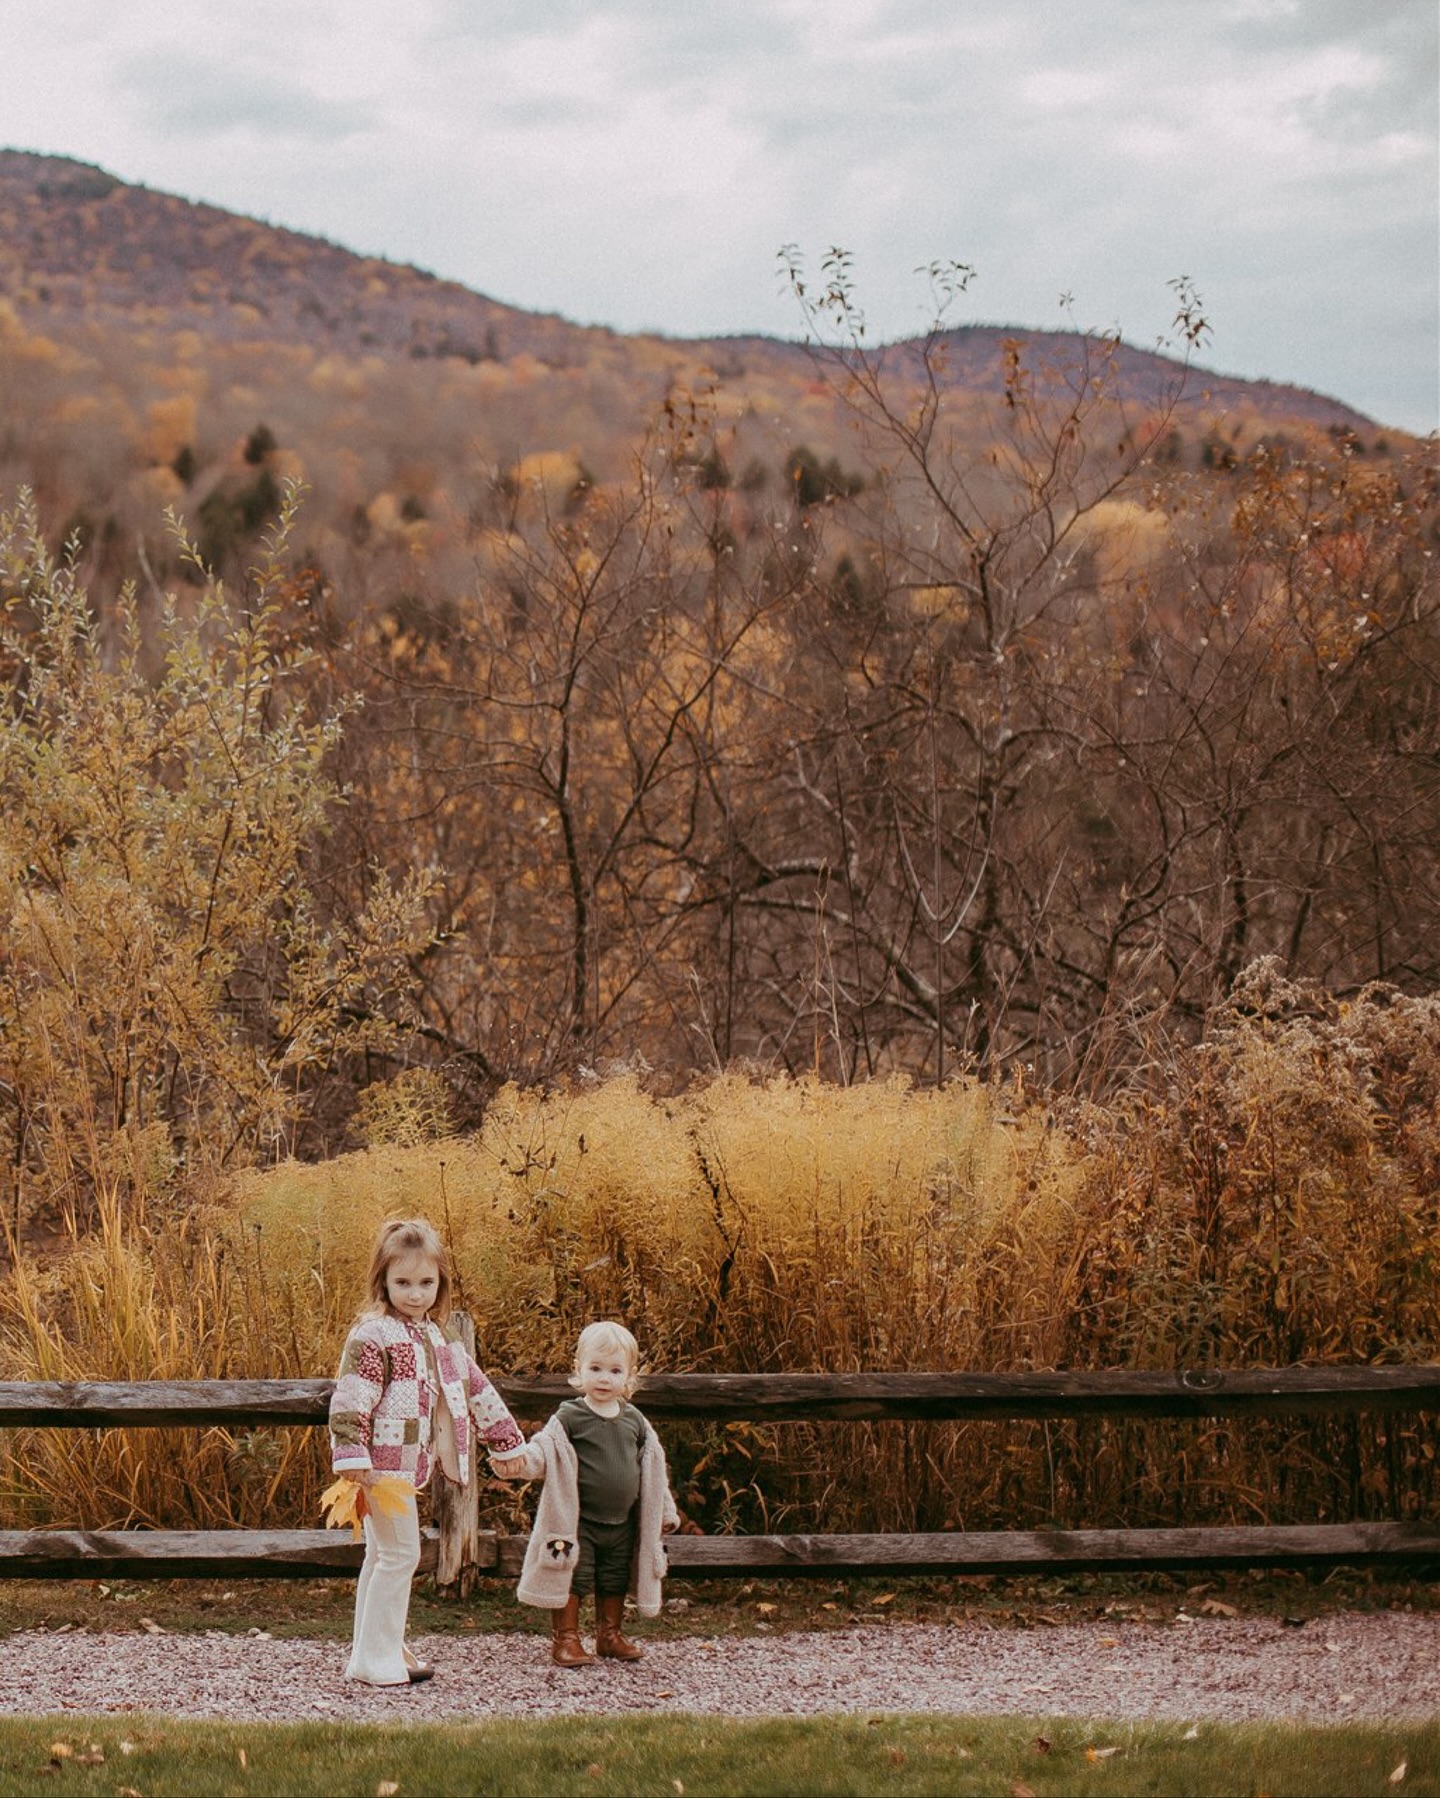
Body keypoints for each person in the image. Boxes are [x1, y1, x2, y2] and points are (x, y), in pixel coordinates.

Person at [328, 1216, 527, 1685]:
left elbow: (474, 1387)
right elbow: (352, 1395)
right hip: (379, 1467)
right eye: (403, 1283)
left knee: (382, 1557)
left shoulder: (439, 1336)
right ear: (383, 1282)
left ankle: (375, 1651)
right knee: (400, 1556)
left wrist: (505, 1439)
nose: (415, 1294)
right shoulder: (373, 1336)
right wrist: (352, 1454)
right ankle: (377, 1659)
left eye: (426, 1283)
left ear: (440, 1283)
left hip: (407, 1465)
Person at [500, 1320, 678, 1666]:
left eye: (614, 1370)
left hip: (621, 1523)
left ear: (629, 1376)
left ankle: (609, 1635)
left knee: (614, 1577)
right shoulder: (571, 1417)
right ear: (578, 1370)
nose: (604, 1378)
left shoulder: (635, 1421)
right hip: (577, 1522)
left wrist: (666, 1512)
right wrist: (519, 1462)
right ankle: (566, 1639)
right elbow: (544, 1451)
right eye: (595, 1368)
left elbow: (655, 1471)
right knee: (573, 1576)